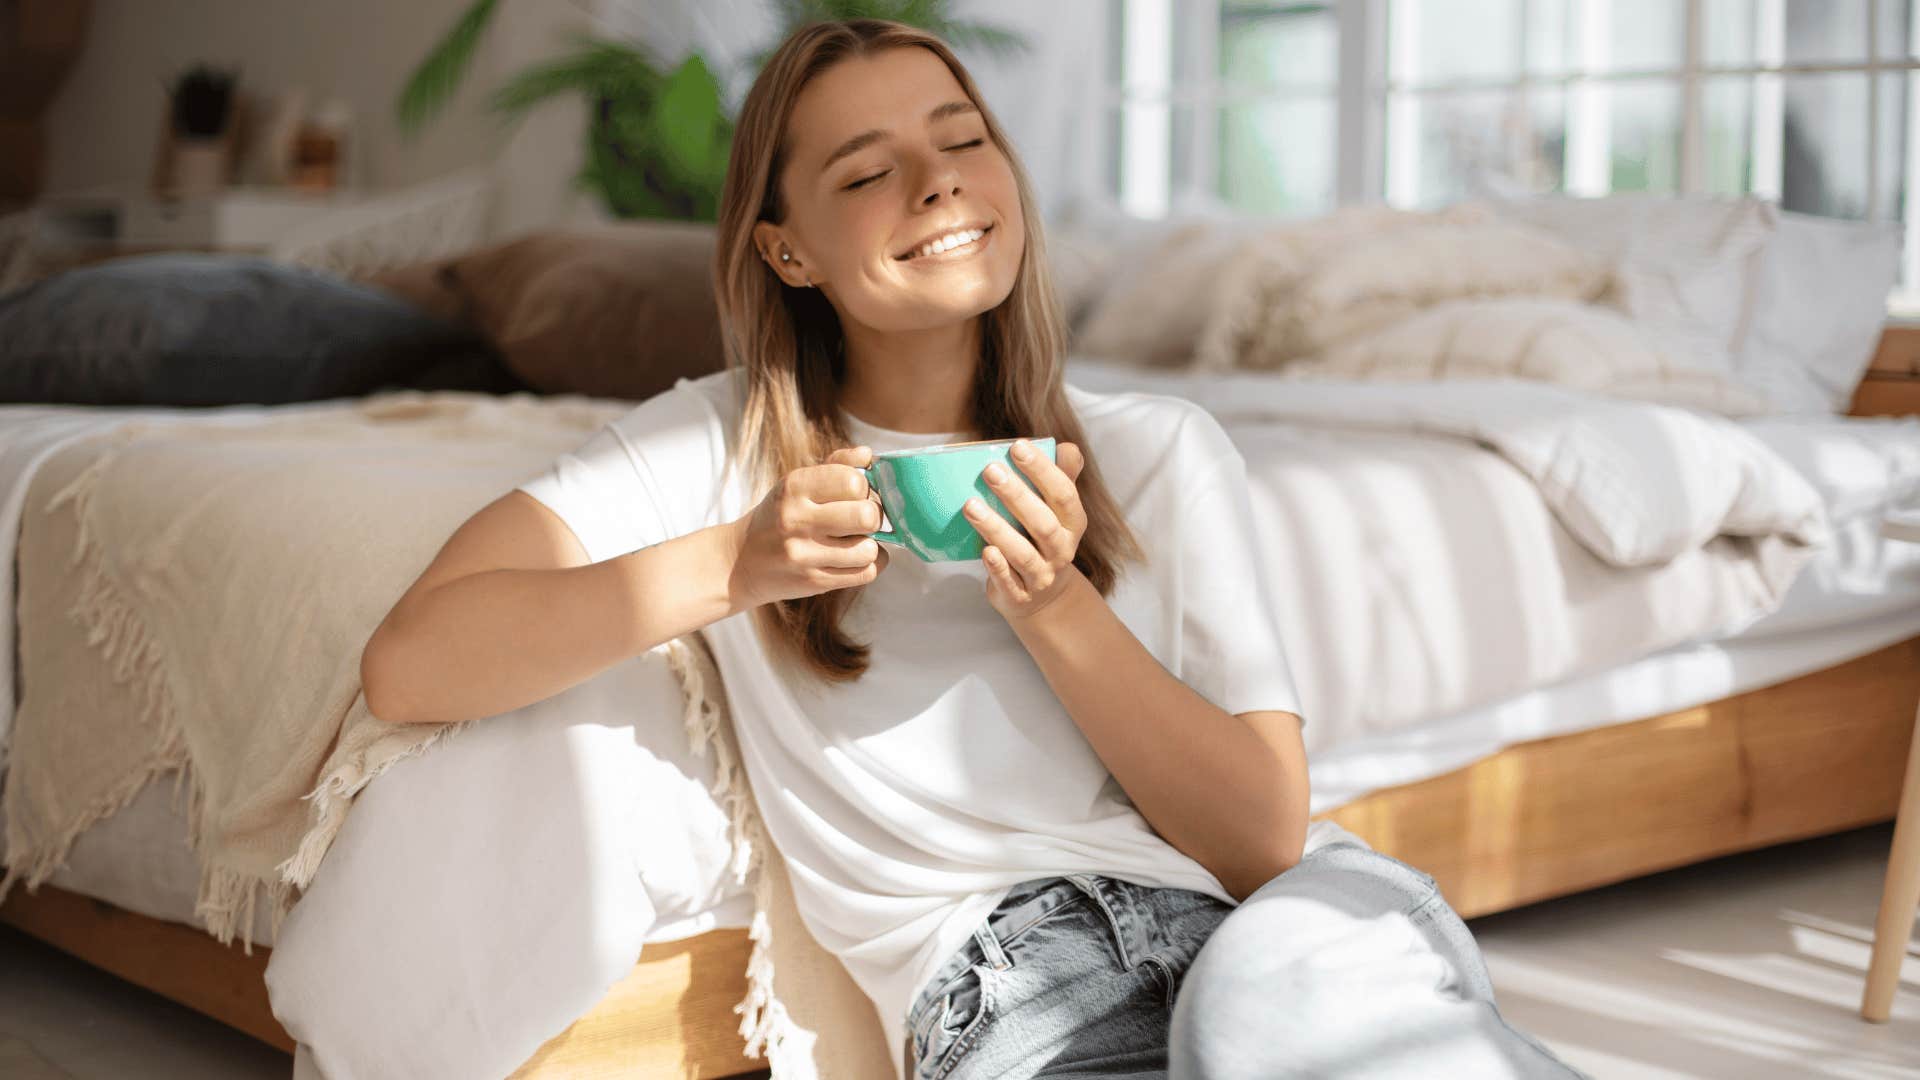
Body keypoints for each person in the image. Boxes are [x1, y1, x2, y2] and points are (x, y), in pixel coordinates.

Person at [358, 17, 1585, 1080]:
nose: (939, 184)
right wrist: (735, 567)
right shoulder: (718, 452)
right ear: (787, 250)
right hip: (1014, 995)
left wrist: (1055, 606)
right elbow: (411, 663)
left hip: (1281, 935)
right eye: (865, 173)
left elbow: (1263, 839)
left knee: (1267, 1008)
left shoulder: (1161, 450)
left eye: (962, 139)